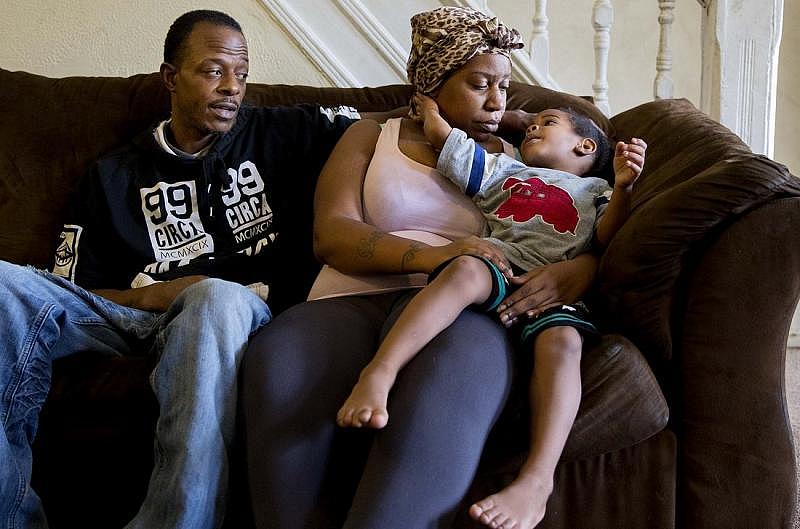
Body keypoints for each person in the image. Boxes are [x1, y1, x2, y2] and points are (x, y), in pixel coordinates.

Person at [240, 6, 604, 528]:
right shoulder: (371, 135)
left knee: (445, 390)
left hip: (465, 311)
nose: (498, 102)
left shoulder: (518, 157)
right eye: (481, 85)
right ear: (432, 85)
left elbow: (572, 215)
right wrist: (438, 256)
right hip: (350, 296)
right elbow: (332, 234)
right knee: (280, 363)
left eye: (505, 87)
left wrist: (585, 267)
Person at [0, 9, 360, 529]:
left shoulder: (283, 132)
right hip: (132, 315)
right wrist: (156, 295)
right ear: (171, 77)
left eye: (241, 73)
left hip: (232, 310)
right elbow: (70, 291)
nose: (232, 88)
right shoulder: (113, 175)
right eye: (213, 71)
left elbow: (396, 124)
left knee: (215, 296)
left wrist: (509, 119)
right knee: (5, 285)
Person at [337, 91, 647, 527]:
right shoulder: (505, 171)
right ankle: (381, 371)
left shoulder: (594, 189)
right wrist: (430, 111)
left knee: (563, 342)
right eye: (533, 123)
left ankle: (537, 481)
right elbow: (451, 145)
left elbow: (605, 237)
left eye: (548, 122)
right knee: (463, 269)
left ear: (585, 146)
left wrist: (624, 186)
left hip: (552, 284)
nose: (534, 126)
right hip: (498, 259)